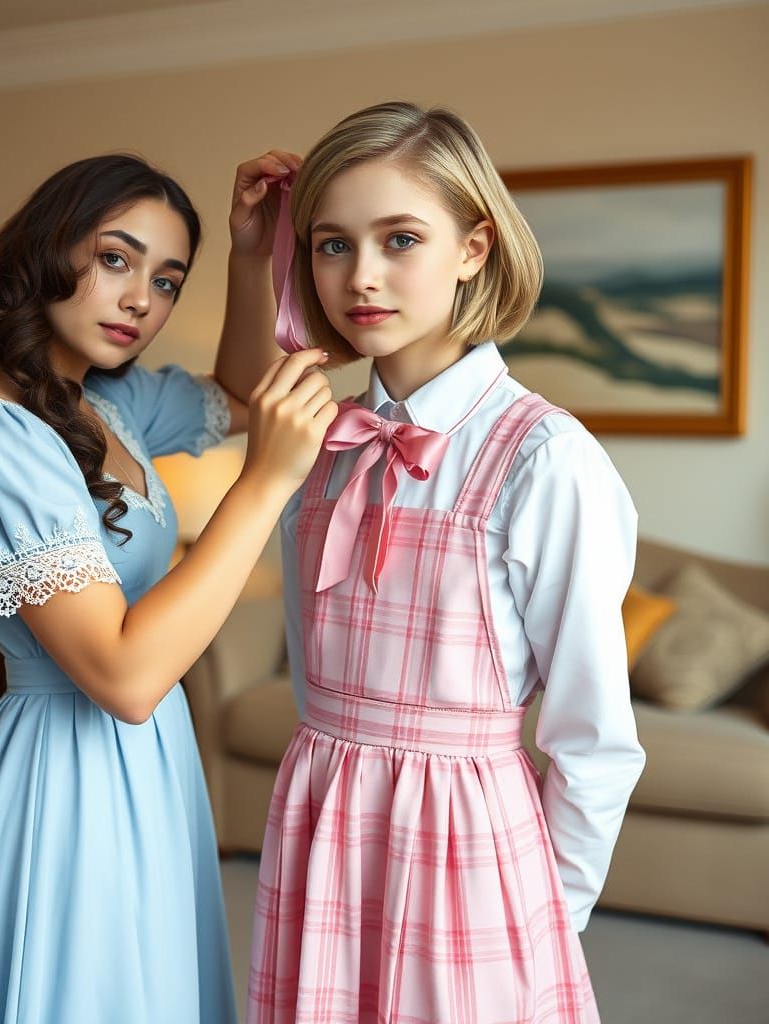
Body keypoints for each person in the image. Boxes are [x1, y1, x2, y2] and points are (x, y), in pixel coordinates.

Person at [0, 152, 336, 1024]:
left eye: (167, 281)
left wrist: (249, 254)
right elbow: (125, 679)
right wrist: (264, 485)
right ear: (47, 252)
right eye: (117, 259)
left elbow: (241, 394)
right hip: (67, 764)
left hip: (151, 759)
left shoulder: (103, 405)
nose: (142, 302)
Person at [240, 102, 647, 1023]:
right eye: (332, 245)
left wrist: (547, 918)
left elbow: (593, 741)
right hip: (319, 829)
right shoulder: (317, 445)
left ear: (473, 248)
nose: (362, 276)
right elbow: (313, 674)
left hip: (471, 856)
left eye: (401, 239)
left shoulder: (546, 458)